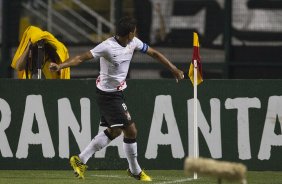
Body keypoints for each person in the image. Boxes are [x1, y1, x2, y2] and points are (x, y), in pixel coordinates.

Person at [49, 16, 184, 181]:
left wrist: (173, 68)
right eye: (134, 32)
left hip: (116, 93)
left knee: (116, 130)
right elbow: (80, 58)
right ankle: (135, 170)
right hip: (108, 95)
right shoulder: (107, 46)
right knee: (131, 130)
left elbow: (154, 53)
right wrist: (60, 66)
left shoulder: (132, 43)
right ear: (129, 34)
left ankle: (80, 159)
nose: (135, 34)